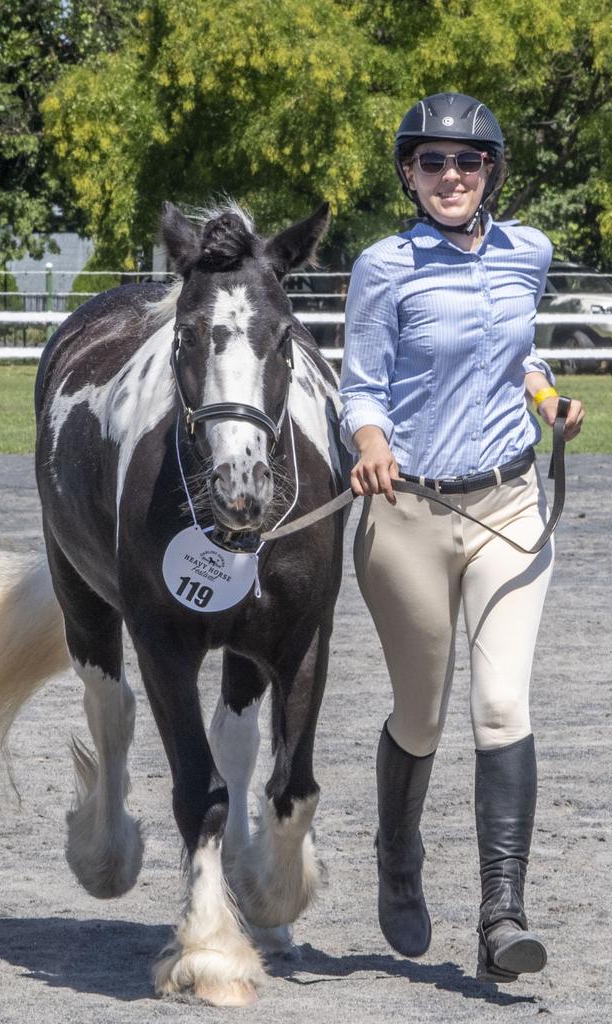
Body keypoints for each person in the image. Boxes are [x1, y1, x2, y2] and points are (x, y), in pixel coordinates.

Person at [338, 92, 585, 983]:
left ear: (492, 172)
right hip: (406, 515)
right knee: (423, 713)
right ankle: (398, 855)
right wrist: (368, 442)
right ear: (408, 172)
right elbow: (360, 386)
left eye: (469, 161)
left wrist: (547, 399)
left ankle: (501, 916)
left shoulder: (529, 253)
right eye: (433, 161)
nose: (452, 175)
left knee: (502, 708)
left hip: (510, 507)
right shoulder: (383, 265)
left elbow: (519, 352)